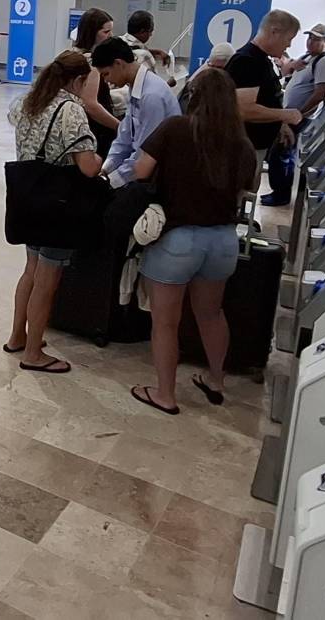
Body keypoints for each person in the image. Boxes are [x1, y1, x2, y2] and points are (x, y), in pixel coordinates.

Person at [127, 69, 259, 415]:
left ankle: (165, 395)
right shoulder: (242, 144)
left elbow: (141, 170)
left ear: (193, 97)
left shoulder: (175, 129)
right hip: (222, 241)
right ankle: (216, 381)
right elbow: (250, 188)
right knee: (212, 314)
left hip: (177, 239)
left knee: (165, 322)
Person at [4, 50, 102, 375]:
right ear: (77, 80)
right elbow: (87, 168)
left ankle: (18, 336)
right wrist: (104, 161)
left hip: (29, 197)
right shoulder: (70, 110)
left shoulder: (29, 101)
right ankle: (33, 353)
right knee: (47, 280)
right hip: (56, 204)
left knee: (30, 271)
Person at [263, 24, 325, 206]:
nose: (310, 42)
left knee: (281, 154)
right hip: (288, 115)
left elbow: (319, 93)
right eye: (309, 37)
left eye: (316, 39)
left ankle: (281, 194)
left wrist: (298, 114)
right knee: (279, 154)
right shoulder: (307, 58)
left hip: (300, 119)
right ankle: (278, 191)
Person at [92, 36, 180, 186]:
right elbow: (125, 136)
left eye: (106, 74)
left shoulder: (151, 95)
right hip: (143, 169)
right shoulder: (136, 87)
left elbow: (145, 151)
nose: (106, 81)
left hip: (160, 175)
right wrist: (106, 168)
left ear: (118, 63)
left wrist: (111, 182)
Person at [223, 9, 306, 166]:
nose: (289, 45)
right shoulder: (248, 61)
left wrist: (280, 123)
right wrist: (284, 115)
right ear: (274, 32)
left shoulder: (262, 60)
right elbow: (243, 110)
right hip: (243, 149)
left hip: (255, 147)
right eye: (289, 39)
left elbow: (265, 99)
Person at [69, 7, 121, 157]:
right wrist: (120, 127)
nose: (111, 36)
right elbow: (91, 105)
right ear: (92, 32)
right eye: (106, 32)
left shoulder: (70, 55)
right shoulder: (90, 63)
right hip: (92, 129)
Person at [125, 9, 175, 85]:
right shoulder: (145, 56)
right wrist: (168, 83)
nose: (151, 35)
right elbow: (153, 86)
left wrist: (156, 52)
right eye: (150, 31)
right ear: (142, 31)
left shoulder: (117, 41)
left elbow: (129, 50)